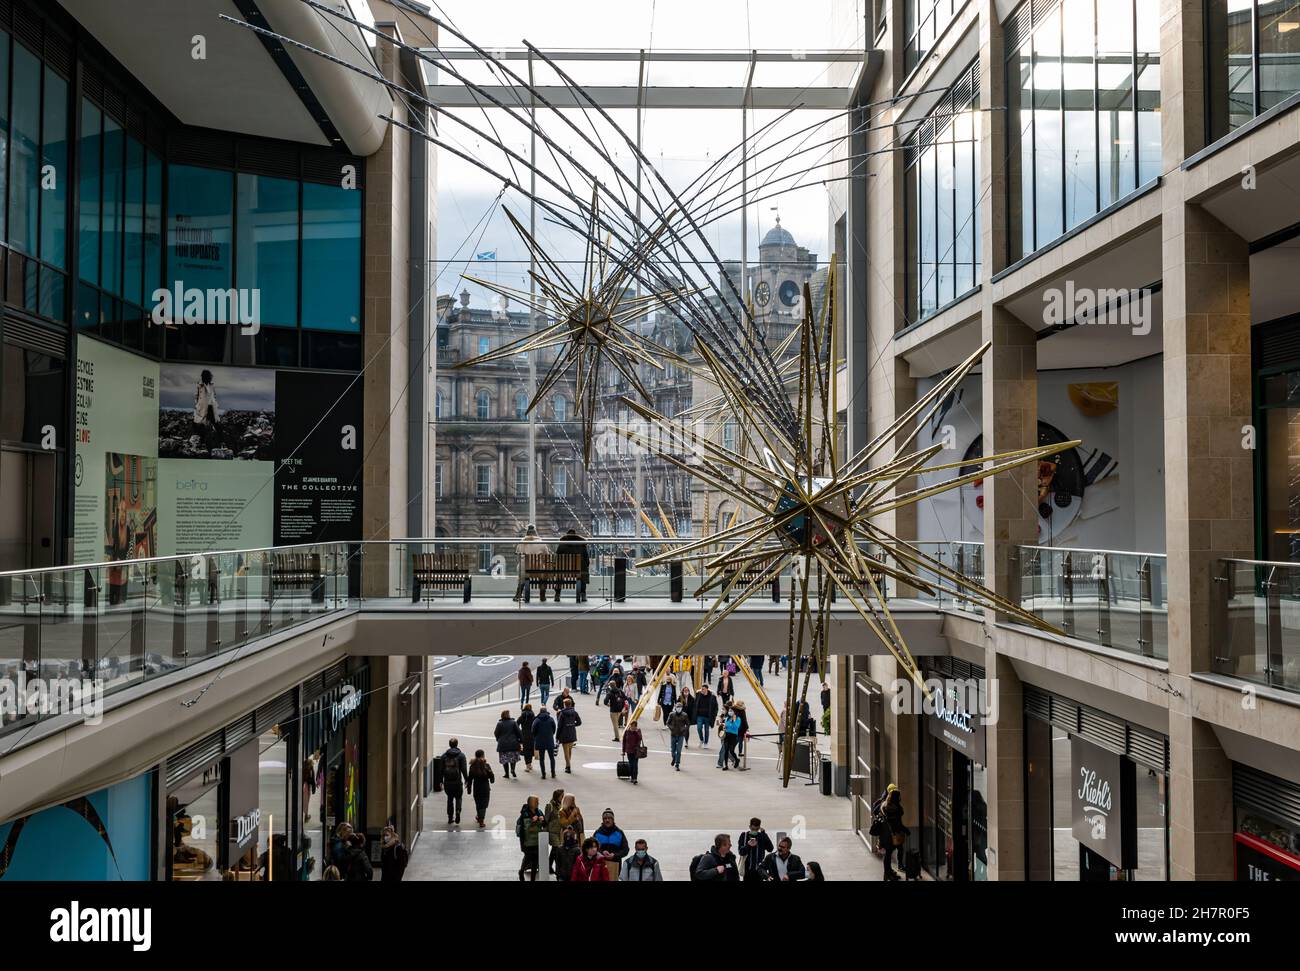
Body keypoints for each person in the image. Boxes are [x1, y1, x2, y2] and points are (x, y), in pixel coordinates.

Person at [878, 783, 908, 881]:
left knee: (888, 854)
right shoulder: (896, 808)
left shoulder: (885, 805)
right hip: (893, 834)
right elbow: (897, 823)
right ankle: (889, 872)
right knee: (892, 852)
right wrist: (905, 830)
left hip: (885, 834)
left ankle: (888, 872)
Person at [514, 524, 550, 602]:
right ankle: (542, 595)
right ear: (535, 533)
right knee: (544, 574)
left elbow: (518, 556)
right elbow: (546, 556)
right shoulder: (541, 542)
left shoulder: (522, 542)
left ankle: (518, 594)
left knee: (521, 569)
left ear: (527, 533)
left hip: (524, 570)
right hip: (538, 569)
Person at [555, 525, 590, 602]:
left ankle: (557, 594)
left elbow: (557, 557)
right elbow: (586, 559)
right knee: (583, 571)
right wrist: (586, 565)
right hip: (579, 570)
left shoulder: (562, 544)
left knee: (559, 573)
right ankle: (583, 594)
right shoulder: (582, 544)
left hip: (564, 571)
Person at [439, 737, 469, 825]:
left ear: (449, 745)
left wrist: (440, 781)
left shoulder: (444, 756)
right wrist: (467, 780)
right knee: (459, 797)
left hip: (447, 782)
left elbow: (440, 770)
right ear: (457, 744)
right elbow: (464, 769)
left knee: (450, 799)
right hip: (457, 782)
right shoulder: (461, 756)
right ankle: (458, 811)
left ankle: (450, 817)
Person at [190, 369, 222, 451]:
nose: (211, 378)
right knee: (199, 424)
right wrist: (198, 405)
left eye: (211, 376)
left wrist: (214, 402)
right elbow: (196, 396)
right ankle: (198, 443)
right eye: (209, 376)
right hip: (203, 408)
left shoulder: (211, 385)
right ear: (206, 377)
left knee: (216, 424)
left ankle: (220, 442)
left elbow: (214, 395)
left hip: (211, 407)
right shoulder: (199, 385)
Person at [592, 808, 629, 878]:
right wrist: (602, 853)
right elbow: (592, 849)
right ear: (603, 820)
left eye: (609, 818)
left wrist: (615, 855)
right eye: (605, 818)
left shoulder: (619, 833)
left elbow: (625, 850)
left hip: (615, 867)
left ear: (613, 819)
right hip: (600, 866)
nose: (607, 820)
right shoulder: (597, 833)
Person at [516, 796, 546, 881]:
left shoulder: (539, 812)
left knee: (535, 861)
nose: (538, 803)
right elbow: (525, 829)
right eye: (536, 802)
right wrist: (532, 822)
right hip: (527, 842)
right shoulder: (525, 814)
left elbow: (544, 824)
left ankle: (533, 879)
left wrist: (543, 820)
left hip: (537, 841)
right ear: (531, 803)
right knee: (528, 858)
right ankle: (521, 871)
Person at [467, 749, 495, 827]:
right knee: (484, 804)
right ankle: (481, 820)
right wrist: (492, 780)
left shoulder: (472, 766)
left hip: (476, 787)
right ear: (483, 756)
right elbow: (491, 776)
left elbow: (470, 779)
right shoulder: (486, 765)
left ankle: (479, 816)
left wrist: (469, 789)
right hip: (485, 788)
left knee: (478, 803)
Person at [542, 787, 566, 876]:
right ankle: (552, 866)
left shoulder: (561, 805)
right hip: (552, 830)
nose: (562, 798)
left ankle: (550, 866)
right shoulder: (550, 805)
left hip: (559, 831)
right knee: (556, 848)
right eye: (561, 796)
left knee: (555, 849)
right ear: (557, 796)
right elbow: (546, 819)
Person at [494, 709, 523, 779]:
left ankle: (506, 773)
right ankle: (512, 769)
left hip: (503, 744)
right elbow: (519, 732)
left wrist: (498, 739)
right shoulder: (513, 722)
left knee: (504, 759)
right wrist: (521, 741)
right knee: (513, 758)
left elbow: (496, 733)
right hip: (513, 744)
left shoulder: (499, 723)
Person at [556, 697, 582, 773]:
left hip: (564, 734)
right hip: (572, 733)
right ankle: (568, 764)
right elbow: (579, 722)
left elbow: (559, 726)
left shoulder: (562, 713)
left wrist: (557, 737)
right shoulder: (574, 712)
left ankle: (568, 766)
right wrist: (573, 725)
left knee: (565, 752)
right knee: (569, 751)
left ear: (565, 705)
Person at [532, 705, 558, 779]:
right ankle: (553, 773)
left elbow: (533, 730)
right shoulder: (551, 719)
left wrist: (536, 736)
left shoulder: (537, 720)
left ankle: (543, 774)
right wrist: (550, 734)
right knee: (552, 758)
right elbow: (554, 729)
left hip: (540, 741)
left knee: (542, 759)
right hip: (549, 741)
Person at [666, 702, 689, 770]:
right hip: (673, 734)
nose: (679, 708)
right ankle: (674, 758)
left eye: (680, 707)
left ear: (682, 708)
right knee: (673, 750)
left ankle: (677, 764)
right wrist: (671, 728)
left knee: (678, 750)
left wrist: (684, 729)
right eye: (677, 707)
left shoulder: (685, 715)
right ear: (675, 708)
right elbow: (667, 722)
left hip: (681, 735)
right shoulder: (672, 714)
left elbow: (688, 724)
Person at [621, 718, 644, 784]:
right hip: (629, 751)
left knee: (635, 765)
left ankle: (635, 778)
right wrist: (623, 751)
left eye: (635, 725)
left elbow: (640, 738)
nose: (633, 727)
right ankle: (632, 777)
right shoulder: (627, 731)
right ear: (630, 725)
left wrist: (636, 732)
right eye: (632, 725)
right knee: (631, 765)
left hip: (636, 751)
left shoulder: (638, 731)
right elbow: (624, 742)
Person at [605, 677, 627, 741]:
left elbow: (605, 701)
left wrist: (608, 705)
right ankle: (620, 735)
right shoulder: (620, 691)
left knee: (615, 725)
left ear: (610, 686)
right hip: (620, 709)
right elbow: (625, 698)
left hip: (613, 710)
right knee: (617, 723)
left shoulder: (610, 692)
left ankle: (617, 737)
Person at [517, 704, 536, 774]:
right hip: (532, 735)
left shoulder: (522, 715)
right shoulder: (533, 715)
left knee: (526, 750)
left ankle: (527, 765)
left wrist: (520, 731)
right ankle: (530, 764)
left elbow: (517, 724)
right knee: (531, 749)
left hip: (524, 734)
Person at [679, 683, 695, 747]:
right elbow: (677, 706)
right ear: (683, 691)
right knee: (681, 729)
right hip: (681, 716)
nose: (686, 692)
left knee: (687, 729)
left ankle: (686, 741)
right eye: (685, 691)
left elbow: (694, 708)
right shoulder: (680, 698)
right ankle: (680, 740)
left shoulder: (692, 699)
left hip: (688, 717)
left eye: (687, 691)